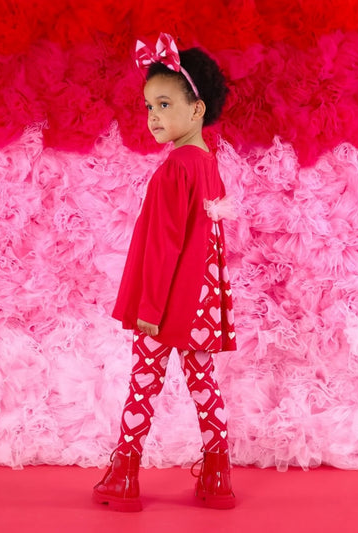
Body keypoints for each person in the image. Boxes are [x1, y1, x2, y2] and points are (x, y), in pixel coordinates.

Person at [92, 33, 237, 512]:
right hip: (201, 303)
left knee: (144, 383)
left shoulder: (175, 169)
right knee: (204, 384)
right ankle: (218, 476)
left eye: (165, 104)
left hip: (166, 302)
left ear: (197, 110)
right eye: (149, 106)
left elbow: (164, 245)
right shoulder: (208, 165)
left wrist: (151, 307)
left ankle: (124, 474)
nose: (153, 116)